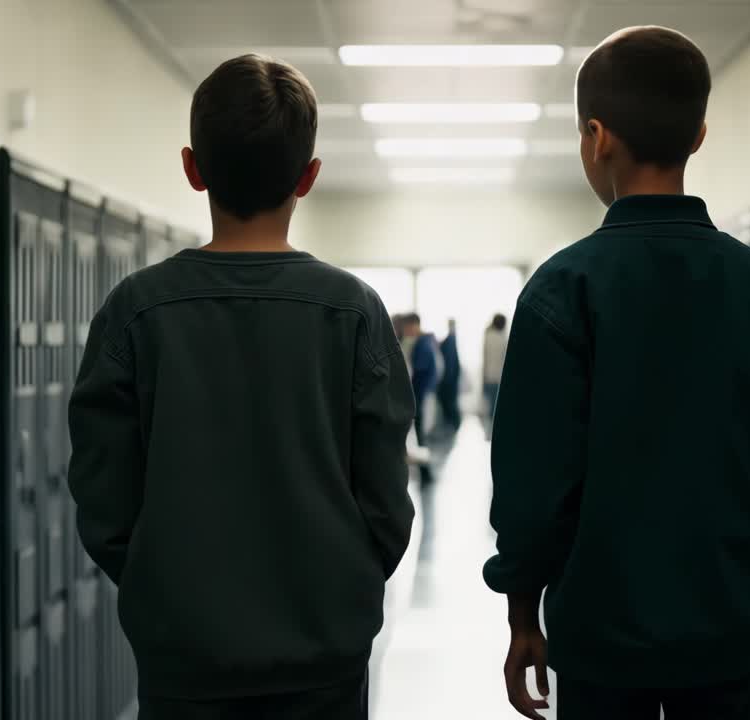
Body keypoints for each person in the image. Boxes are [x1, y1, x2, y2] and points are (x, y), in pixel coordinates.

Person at [68, 54, 415, 720]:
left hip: (184, 662)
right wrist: (341, 584)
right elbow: (384, 494)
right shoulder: (353, 311)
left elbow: (103, 492)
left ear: (192, 168)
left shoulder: (137, 310)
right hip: (324, 658)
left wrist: (161, 583)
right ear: (309, 178)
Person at [483, 26, 750, 720]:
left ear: (597, 137)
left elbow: (534, 482)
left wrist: (522, 616)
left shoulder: (561, 290)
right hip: (724, 632)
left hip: (600, 637)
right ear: (697, 136)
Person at [400, 313, 440, 488]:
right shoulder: (424, 342)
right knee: (421, 437)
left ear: (414, 325)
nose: (406, 331)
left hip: (420, 396)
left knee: (422, 438)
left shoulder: (423, 344)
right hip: (421, 395)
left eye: (408, 327)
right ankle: (426, 474)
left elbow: (420, 372)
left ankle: (426, 474)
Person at [482, 313, 508, 426]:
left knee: (491, 407)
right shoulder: (503, 338)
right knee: (497, 407)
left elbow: (485, 359)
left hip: (488, 376)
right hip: (500, 377)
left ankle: (490, 430)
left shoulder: (487, 335)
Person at [437, 318, 463, 432]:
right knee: (450, 403)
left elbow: (451, 363)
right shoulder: (451, 339)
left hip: (448, 380)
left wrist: (447, 380)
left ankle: (453, 426)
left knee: (449, 403)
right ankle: (453, 425)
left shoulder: (450, 340)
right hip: (451, 379)